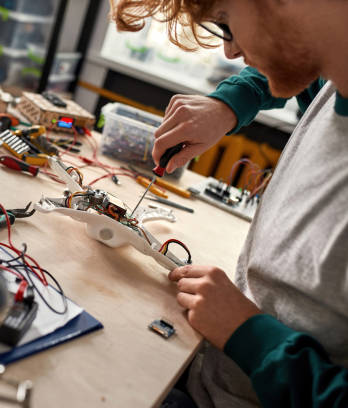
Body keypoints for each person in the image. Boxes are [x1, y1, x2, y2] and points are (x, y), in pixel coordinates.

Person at [109, 1, 348, 407]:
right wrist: (229, 103)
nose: (231, 53)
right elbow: (305, 66)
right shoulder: (332, 81)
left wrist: (249, 335)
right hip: (209, 376)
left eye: (225, 23)